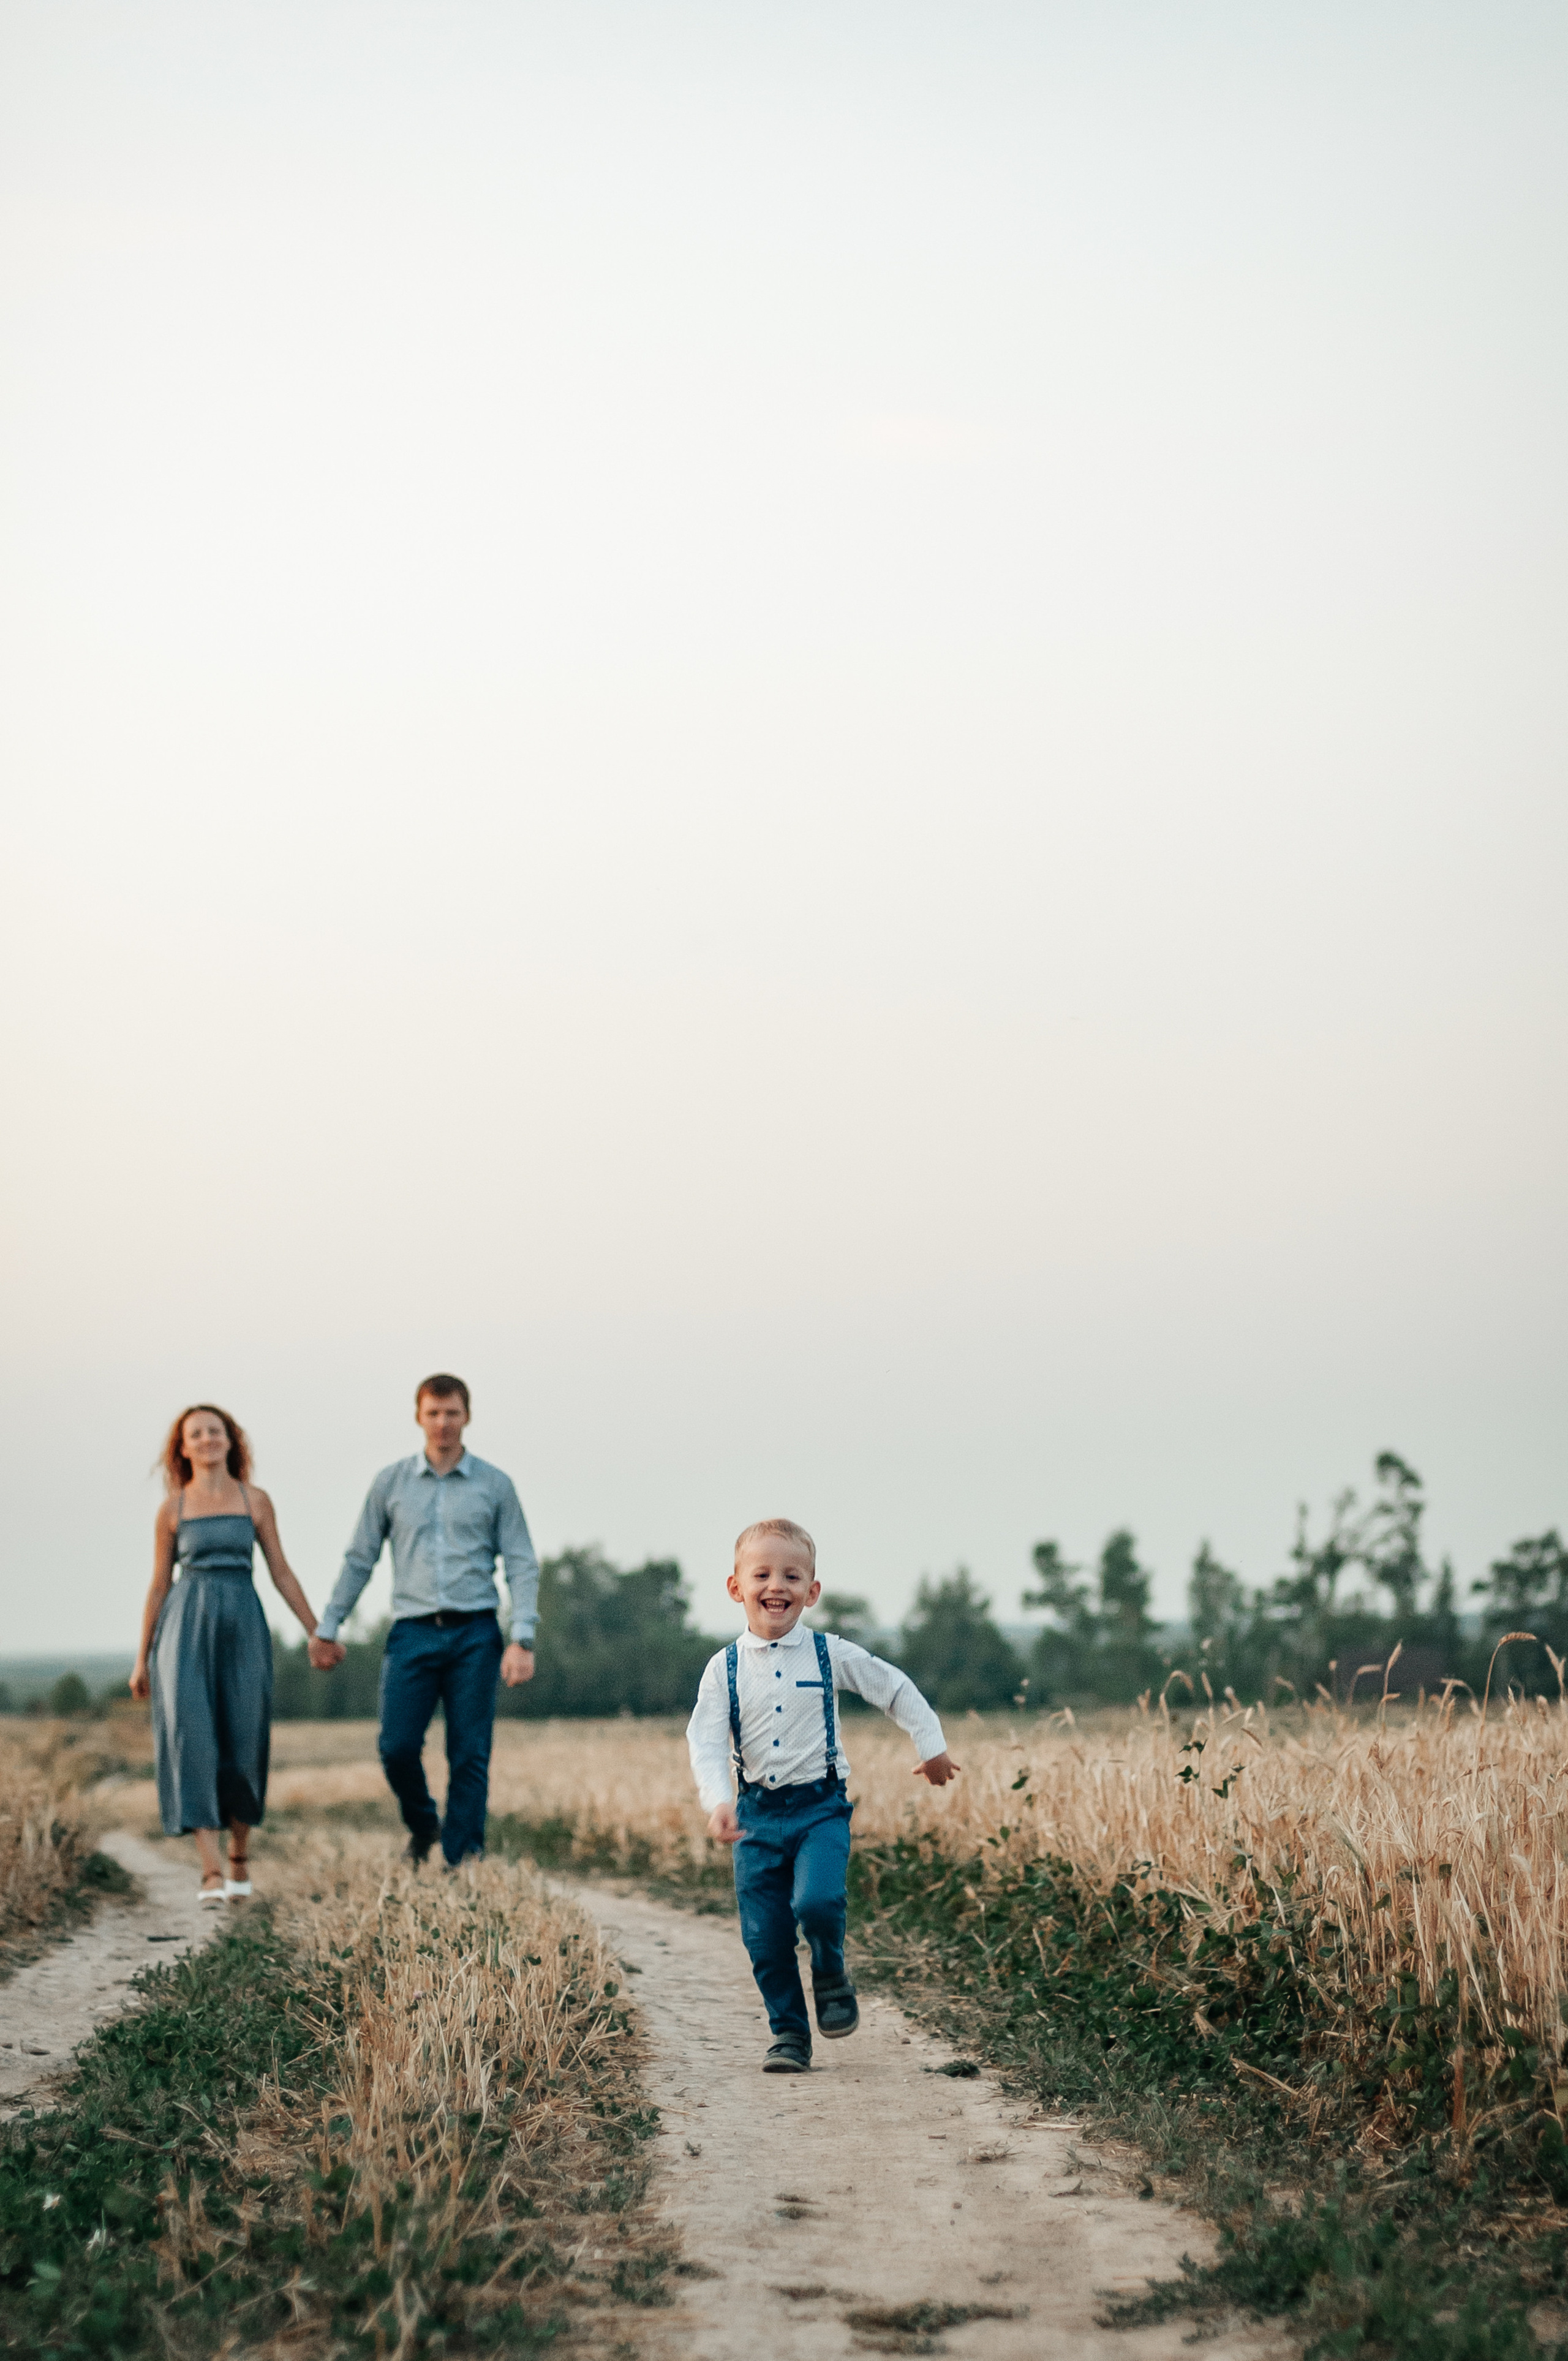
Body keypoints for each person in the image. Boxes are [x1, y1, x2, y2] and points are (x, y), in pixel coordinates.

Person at [686, 1517, 959, 2073]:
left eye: (792, 1576)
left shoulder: (828, 1652)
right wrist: (718, 1801)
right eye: (762, 1574)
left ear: (812, 1591)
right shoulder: (723, 1670)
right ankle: (789, 2034)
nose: (776, 1586)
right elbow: (707, 1742)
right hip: (755, 1817)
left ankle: (830, 1967)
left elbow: (893, 1687)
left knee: (817, 1902)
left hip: (820, 1810)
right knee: (764, 1938)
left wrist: (931, 1745)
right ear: (737, 1588)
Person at [310, 1374, 539, 1868]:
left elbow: (521, 1561)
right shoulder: (390, 1483)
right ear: (419, 1417)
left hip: (475, 1631)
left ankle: (464, 1860)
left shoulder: (495, 1485)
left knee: (469, 1752)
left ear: (467, 1416)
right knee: (396, 1746)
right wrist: (329, 1625)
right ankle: (423, 1825)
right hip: (411, 1630)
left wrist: (522, 1637)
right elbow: (360, 1558)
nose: (443, 1423)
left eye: (452, 1413)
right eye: (433, 1413)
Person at [132, 1404, 323, 1904]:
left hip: (243, 1624)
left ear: (230, 1440)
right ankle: (210, 1871)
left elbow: (281, 1570)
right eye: (196, 1433)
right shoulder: (172, 1509)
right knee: (193, 1741)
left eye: (215, 1431)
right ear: (183, 1446)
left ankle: (240, 1855)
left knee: (244, 1739)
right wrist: (141, 1658)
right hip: (184, 1629)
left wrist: (315, 1630)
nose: (207, 1439)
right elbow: (158, 1585)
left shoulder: (254, 1500)